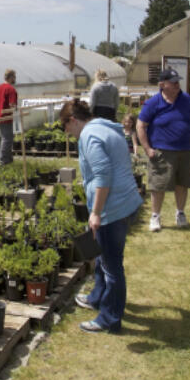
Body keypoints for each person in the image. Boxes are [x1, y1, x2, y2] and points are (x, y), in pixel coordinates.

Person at [61, 99, 143, 334]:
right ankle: (97, 296)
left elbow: (103, 176)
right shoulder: (105, 127)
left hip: (112, 208)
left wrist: (96, 212)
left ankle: (109, 318)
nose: (67, 133)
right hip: (123, 201)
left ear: (73, 120)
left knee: (112, 267)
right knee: (103, 257)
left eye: (66, 127)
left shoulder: (89, 136)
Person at [137, 68, 190, 232]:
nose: (176, 85)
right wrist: (147, 149)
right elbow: (140, 125)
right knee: (158, 186)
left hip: (185, 151)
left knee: (182, 184)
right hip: (162, 152)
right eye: (173, 82)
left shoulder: (187, 99)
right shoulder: (153, 103)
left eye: (177, 82)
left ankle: (180, 213)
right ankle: (155, 217)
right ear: (162, 84)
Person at [0, 69, 18, 165]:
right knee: (7, 139)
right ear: (11, 77)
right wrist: (17, 108)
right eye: (14, 77)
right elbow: (12, 104)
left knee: (6, 137)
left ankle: (8, 160)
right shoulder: (11, 89)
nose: (15, 79)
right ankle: (3, 162)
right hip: (6, 117)